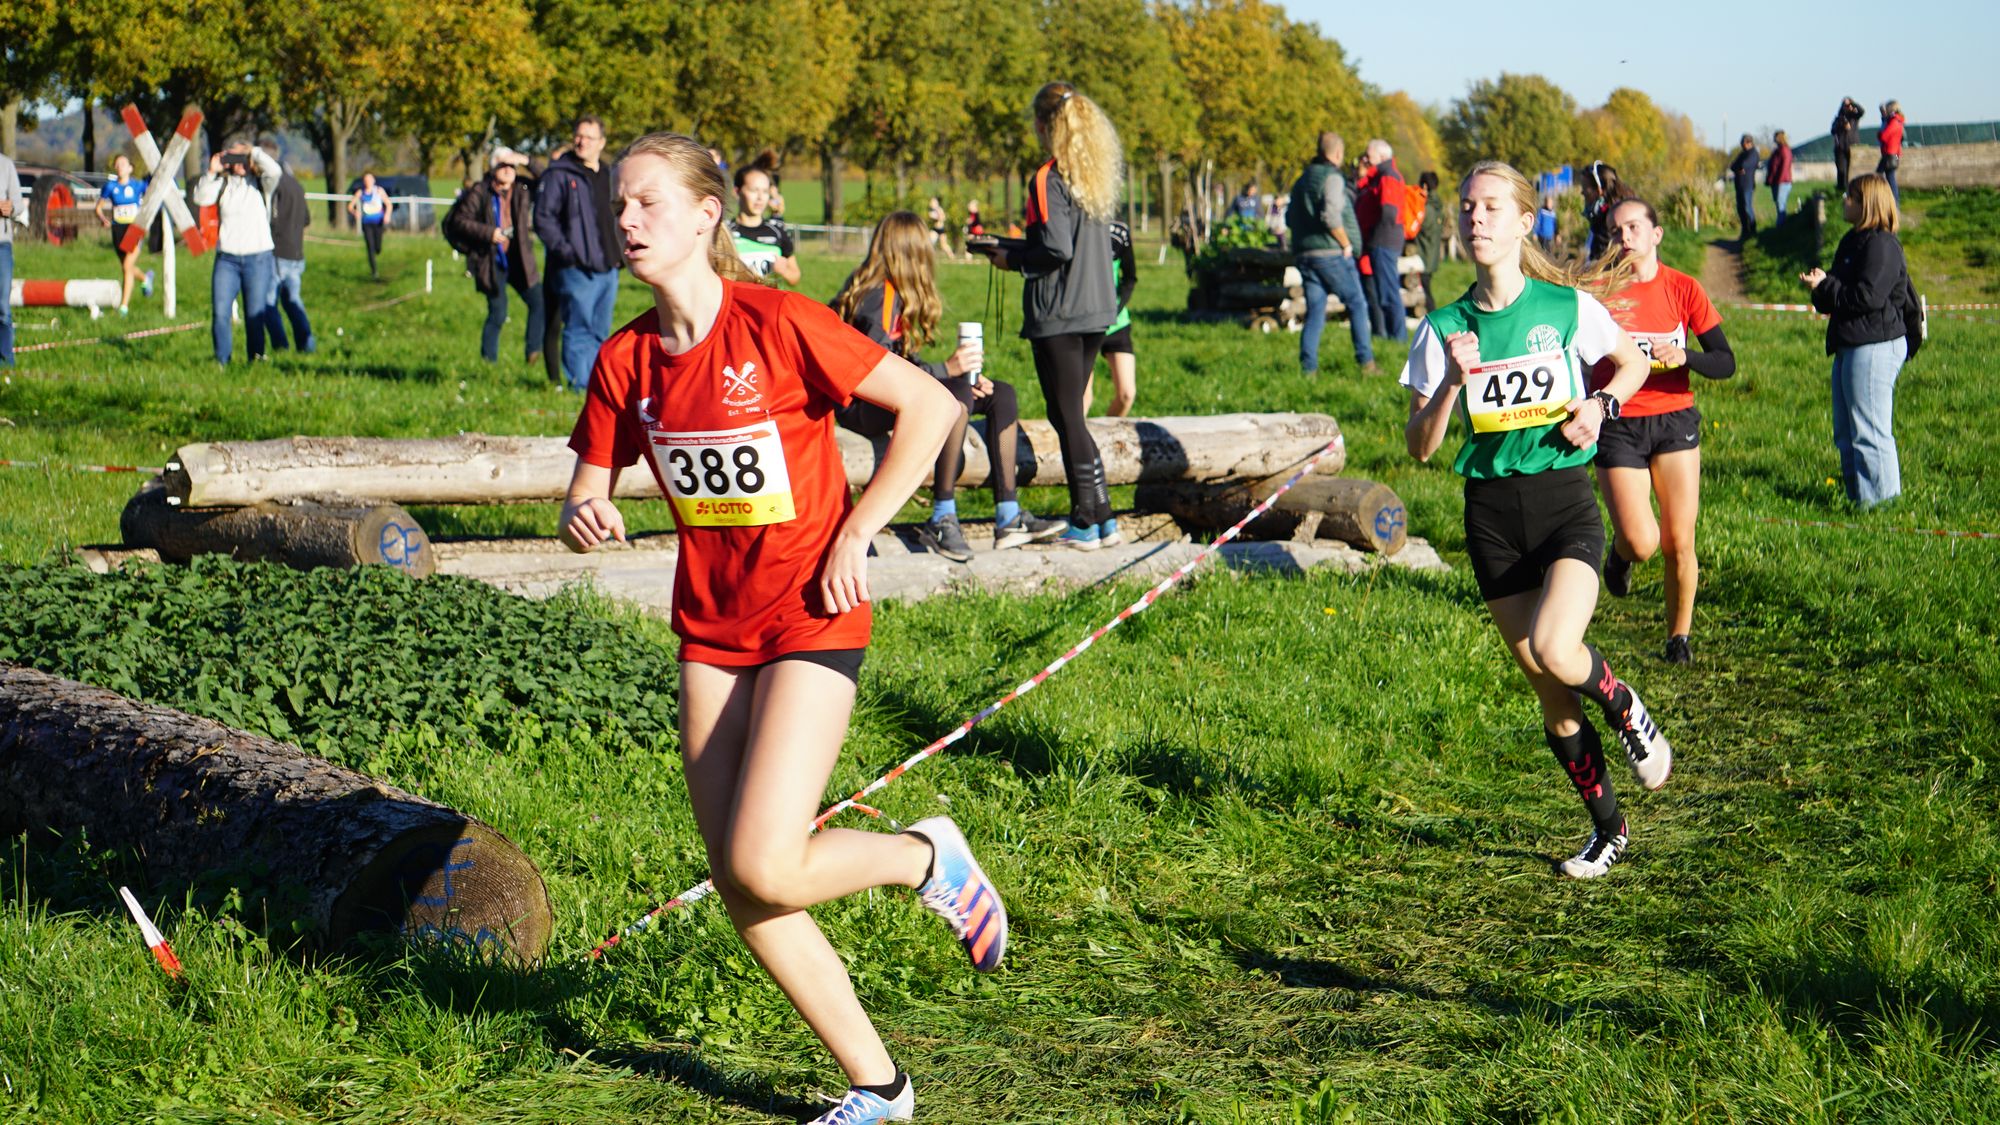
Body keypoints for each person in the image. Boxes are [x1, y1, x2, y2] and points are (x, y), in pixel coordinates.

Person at [560, 131, 1000, 1125]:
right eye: (618, 204)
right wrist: (585, 512)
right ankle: (880, 1087)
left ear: (706, 215)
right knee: (742, 881)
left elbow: (929, 408)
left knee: (764, 859)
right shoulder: (625, 360)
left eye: (646, 202)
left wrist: (858, 528)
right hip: (710, 632)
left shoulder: (778, 321)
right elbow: (585, 487)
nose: (626, 219)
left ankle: (924, 857)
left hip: (811, 610)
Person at [1400, 159, 1672, 879]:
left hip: (1562, 504)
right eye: (1467, 206)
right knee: (1551, 692)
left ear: (1525, 221)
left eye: (1492, 206)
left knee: (1557, 646)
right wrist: (1451, 383)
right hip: (1491, 519)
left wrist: (1600, 406)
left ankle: (1623, 702)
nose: (1475, 217)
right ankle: (1608, 829)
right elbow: (1420, 447)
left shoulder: (1565, 307)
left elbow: (1632, 364)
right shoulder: (1444, 327)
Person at [834, 211, 1066, 558]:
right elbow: (877, 371)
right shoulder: (877, 296)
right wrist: (946, 369)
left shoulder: (894, 292)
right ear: (911, 252)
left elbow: (901, 362)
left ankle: (1008, 516)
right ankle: (942, 517)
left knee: (1000, 394)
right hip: (858, 406)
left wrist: (953, 375)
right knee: (954, 394)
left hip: (884, 396)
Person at [976, 81, 1123, 550]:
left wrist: (1012, 259)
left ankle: (1086, 519)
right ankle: (1103, 517)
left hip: (1060, 310)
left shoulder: (1048, 177)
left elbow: (1056, 248)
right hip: (1097, 308)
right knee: (1070, 415)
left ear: (1043, 126)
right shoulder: (1094, 175)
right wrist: (1017, 246)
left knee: (1068, 418)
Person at [1594, 198, 1737, 665]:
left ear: (1656, 234)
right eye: (1616, 231)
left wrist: (1685, 356)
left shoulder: (1683, 288)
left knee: (1679, 541)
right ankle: (1620, 554)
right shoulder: (1596, 292)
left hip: (1674, 418)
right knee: (1642, 541)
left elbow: (1725, 361)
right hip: (1617, 419)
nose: (1625, 237)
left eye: (1634, 227)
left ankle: (1679, 638)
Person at [1802, 174, 1912, 509]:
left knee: (1870, 431)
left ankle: (1882, 508)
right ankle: (1859, 502)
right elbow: (1836, 296)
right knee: (1845, 431)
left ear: (1867, 203)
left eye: (1851, 196)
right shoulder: (1852, 241)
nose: (1844, 201)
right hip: (1850, 342)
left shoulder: (1882, 245)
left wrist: (1828, 287)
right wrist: (1819, 287)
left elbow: (1868, 297)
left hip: (1874, 344)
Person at [536, 115, 622, 390]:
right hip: (576, 268)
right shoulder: (560, 174)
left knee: (600, 331)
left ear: (601, 142)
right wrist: (568, 253)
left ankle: (596, 385)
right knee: (578, 328)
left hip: (608, 266)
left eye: (589, 137)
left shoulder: (609, 175)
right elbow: (543, 219)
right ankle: (580, 388)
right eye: (578, 135)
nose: (581, 142)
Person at [446, 146, 545, 366]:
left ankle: (533, 353)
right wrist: (488, 233)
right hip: (491, 261)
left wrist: (526, 160)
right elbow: (460, 221)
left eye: (512, 166)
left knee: (539, 302)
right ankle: (488, 363)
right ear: (492, 168)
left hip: (520, 260)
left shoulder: (523, 187)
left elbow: (548, 179)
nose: (509, 170)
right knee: (498, 313)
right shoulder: (480, 191)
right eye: (503, 165)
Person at [1286, 131, 1375, 376]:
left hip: (1304, 254)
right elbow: (1331, 216)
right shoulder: (1332, 178)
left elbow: (1289, 218)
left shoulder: (1302, 179)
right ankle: (1366, 363)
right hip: (1329, 253)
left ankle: (1308, 369)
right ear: (1337, 154)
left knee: (1315, 310)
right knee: (1357, 303)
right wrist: (1346, 244)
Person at [191, 140, 284, 365]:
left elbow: (275, 170)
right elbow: (200, 198)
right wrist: (212, 172)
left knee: (254, 313)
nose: (239, 163)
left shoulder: (261, 184)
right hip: (227, 259)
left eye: (242, 159)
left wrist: (253, 153)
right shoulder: (223, 184)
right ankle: (222, 361)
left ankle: (256, 358)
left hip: (258, 257)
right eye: (234, 159)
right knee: (220, 312)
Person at [1084, 216, 1139, 415]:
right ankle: (1078, 434)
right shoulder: (1077, 225)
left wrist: (1116, 308)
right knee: (1083, 396)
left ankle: (1107, 433)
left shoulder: (1119, 231)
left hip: (1117, 324)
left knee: (1127, 395)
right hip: (1085, 324)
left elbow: (1130, 277)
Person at [1355, 139, 1408, 342]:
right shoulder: (1380, 176)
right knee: (1383, 291)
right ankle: (1391, 337)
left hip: (1384, 241)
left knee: (1388, 292)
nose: (1366, 159)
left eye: (1370, 155)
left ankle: (1398, 337)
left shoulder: (1388, 177)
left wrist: (1372, 233)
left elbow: (1389, 212)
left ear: (1383, 156)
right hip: (1381, 241)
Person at [264, 142, 315, 353]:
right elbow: (306, 219)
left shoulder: (274, 185)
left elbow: (271, 219)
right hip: (297, 252)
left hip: (278, 251)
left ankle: (280, 346)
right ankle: (307, 344)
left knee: (267, 303)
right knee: (293, 301)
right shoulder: (297, 185)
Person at [93, 154, 150, 314]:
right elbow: (98, 208)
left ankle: (124, 307)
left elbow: (152, 195)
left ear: (130, 168)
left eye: (123, 164)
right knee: (126, 267)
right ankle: (145, 278)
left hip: (135, 229)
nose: (120, 167)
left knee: (127, 266)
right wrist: (103, 220)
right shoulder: (110, 187)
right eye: (117, 164)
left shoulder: (138, 185)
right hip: (118, 230)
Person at [728, 163, 799, 286]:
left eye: (765, 191)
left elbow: (795, 277)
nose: (760, 198)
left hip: (771, 299)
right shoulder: (725, 232)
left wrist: (784, 271)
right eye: (753, 190)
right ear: (737, 191)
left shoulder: (777, 231)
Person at [0, 149, 24, 367]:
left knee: (2, 306)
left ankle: (7, 360)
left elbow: (19, 203)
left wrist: (11, 207)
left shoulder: (6, 165)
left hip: (2, 244)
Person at [1580, 161, 1630, 261]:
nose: (1582, 192)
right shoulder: (1603, 219)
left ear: (1599, 190)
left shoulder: (1610, 222)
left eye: (1585, 188)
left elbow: (1600, 261)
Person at [1413, 170, 1447, 315]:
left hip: (1423, 256)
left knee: (1425, 291)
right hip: (1431, 255)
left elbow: (1416, 229)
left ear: (1425, 186)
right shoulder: (1438, 206)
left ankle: (1433, 317)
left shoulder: (1426, 208)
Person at [347, 171, 393, 280]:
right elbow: (350, 206)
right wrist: (355, 212)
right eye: (366, 180)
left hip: (378, 222)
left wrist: (387, 215)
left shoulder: (379, 191)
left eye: (369, 180)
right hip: (366, 223)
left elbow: (389, 204)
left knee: (377, 247)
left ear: (373, 181)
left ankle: (377, 250)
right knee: (370, 247)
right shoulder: (360, 192)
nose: (368, 182)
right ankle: (374, 271)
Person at [1728, 135, 1760, 242]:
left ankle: (1753, 231)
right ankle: (1745, 231)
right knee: (1740, 209)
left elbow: (1744, 164)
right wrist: (1739, 169)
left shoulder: (1753, 154)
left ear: (1749, 142)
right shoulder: (1743, 154)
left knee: (1747, 207)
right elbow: (1733, 166)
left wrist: (1739, 167)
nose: (1742, 145)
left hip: (1748, 185)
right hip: (1739, 185)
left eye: (1743, 143)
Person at [1831, 97, 1864, 192]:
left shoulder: (1854, 116)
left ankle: (1852, 190)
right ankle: (1841, 190)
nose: (1847, 107)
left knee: (1852, 170)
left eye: (1849, 105)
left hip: (1852, 147)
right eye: (1845, 105)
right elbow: (1833, 130)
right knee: (1841, 170)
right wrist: (1842, 125)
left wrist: (1852, 104)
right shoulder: (1838, 118)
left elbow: (1862, 111)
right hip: (1840, 147)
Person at [1876, 100, 1906, 203]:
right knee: (1888, 176)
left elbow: (1884, 136)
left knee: (1885, 177)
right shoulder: (1897, 121)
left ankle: (1894, 202)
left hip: (1889, 154)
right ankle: (1892, 201)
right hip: (1893, 154)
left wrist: (1879, 134)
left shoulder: (1894, 122)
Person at [1766, 130, 1794, 225]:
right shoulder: (1778, 150)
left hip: (1782, 181)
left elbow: (1784, 167)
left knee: (1780, 203)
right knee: (1778, 203)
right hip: (1777, 181)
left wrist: (1779, 180)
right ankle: (1781, 224)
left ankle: (1781, 225)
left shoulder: (1784, 150)